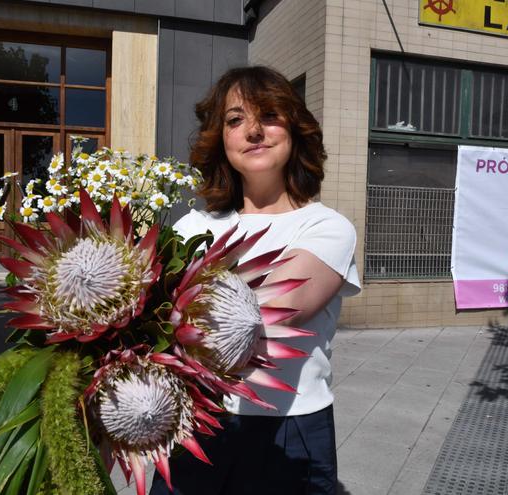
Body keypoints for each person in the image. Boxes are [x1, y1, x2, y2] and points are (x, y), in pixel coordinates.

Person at [150, 66, 360, 494]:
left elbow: (258, 316)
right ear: (221, 139)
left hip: (290, 427)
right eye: (235, 120)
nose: (252, 131)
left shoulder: (327, 227)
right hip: (194, 423)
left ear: (294, 129)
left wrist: (165, 306)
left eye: (268, 116)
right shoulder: (193, 225)